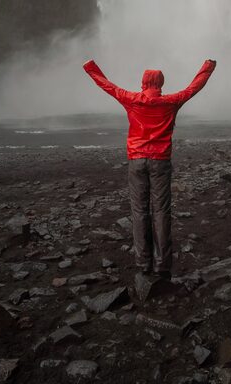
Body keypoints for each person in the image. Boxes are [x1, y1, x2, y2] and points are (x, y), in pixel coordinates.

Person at [83, 58, 217, 279]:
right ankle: (162, 263)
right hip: (160, 161)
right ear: (160, 84)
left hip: (137, 160)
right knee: (161, 211)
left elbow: (107, 85)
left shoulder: (132, 100)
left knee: (139, 211)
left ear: (143, 83)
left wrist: (90, 68)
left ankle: (143, 261)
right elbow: (195, 87)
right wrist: (208, 67)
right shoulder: (171, 102)